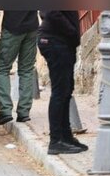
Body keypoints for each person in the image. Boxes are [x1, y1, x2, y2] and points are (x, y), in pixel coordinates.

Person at [37, 8, 88, 155]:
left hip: (62, 41)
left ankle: (65, 136)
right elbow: (51, 12)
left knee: (66, 91)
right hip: (55, 40)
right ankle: (55, 141)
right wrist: (71, 30)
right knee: (60, 92)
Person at [0, 4, 39, 126]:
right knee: (27, 70)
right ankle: (24, 112)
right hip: (32, 28)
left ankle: (5, 110)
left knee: (3, 68)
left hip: (12, 28)